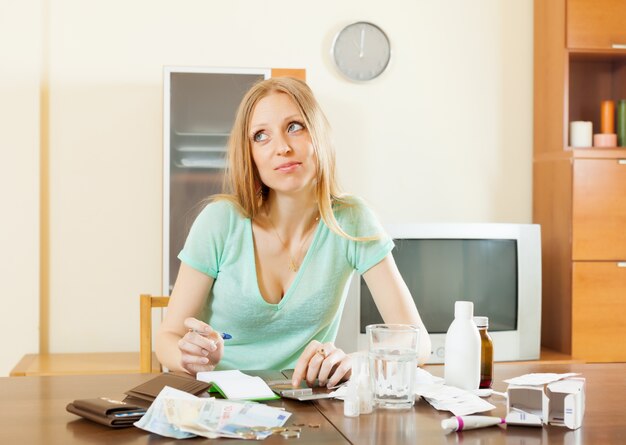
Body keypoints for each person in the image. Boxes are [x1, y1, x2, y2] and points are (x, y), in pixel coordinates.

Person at [155, 77, 431, 389]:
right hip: (222, 402)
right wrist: (189, 359)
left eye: (295, 127)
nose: (282, 148)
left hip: (308, 405)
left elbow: (417, 344)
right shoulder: (220, 221)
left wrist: (355, 362)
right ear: (250, 154)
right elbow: (168, 337)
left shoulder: (352, 220)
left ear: (318, 135)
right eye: (261, 136)